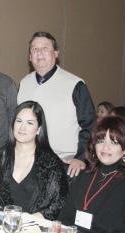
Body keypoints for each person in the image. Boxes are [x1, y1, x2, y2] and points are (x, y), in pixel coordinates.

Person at [18, 31, 96, 177]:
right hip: (30, 163)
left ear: (56, 53)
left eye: (45, 48)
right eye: (34, 49)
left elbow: (90, 125)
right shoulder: (24, 83)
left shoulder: (74, 84)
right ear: (30, 57)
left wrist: (81, 158)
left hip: (65, 164)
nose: (39, 52)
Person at [58, 116, 125, 233]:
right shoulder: (83, 175)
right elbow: (65, 218)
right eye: (101, 141)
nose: (105, 148)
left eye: (114, 142)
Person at [0, 101, 68, 220]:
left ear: (38, 129)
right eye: (19, 121)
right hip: (1, 225)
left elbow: (57, 203)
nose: (22, 127)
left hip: (35, 227)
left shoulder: (51, 163)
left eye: (30, 123)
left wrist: (30, 221)